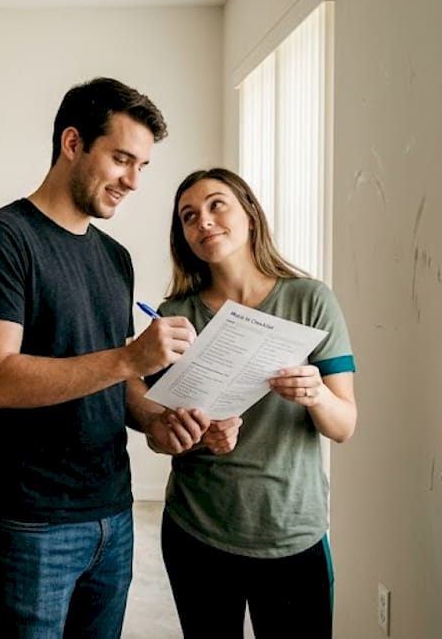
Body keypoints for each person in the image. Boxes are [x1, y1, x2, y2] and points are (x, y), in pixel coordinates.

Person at [0, 78, 242, 638]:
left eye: (143, 166)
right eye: (121, 159)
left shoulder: (115, 258)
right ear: (72, 143)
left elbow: (117, 385)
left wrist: (163, 421)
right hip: (26, 521)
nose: (133, 181)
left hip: (112, 512)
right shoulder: (0, 240)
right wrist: (131, 357)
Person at [150, 167, 357, 638]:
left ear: (250, 213)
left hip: (290, 532)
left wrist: (317, 393)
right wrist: (200, 437)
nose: (203, 221)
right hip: (196, 529)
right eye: (188, 216)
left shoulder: (311, 301)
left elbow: (344, 425)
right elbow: (161, 438)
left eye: (216, 204)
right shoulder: (175, 316)